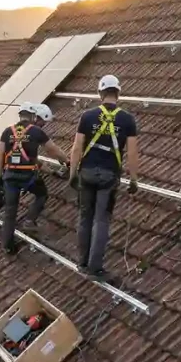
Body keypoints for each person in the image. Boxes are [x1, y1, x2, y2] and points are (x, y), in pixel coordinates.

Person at [68, 75, 140, 279]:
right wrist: (134, 179)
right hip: (109, 176)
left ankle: (82, 263)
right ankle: (95, 268)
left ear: (100, 93)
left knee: (84, 217)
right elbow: (133, 153)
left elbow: (76, 148)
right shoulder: (127, 119)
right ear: (118, 92)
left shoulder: (87, 116)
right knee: (101, 220)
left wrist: (73, 174)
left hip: (87, 173)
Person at [0, 102, 70, 254]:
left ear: (20, 115)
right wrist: (66, 161)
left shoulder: (7, 131)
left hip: (10, 177)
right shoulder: (35, 132)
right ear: (33, 116)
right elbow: (52, 150)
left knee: (10, 212)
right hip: (27, 176)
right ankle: (29, 220)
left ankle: (8, 247)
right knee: (41, 194)